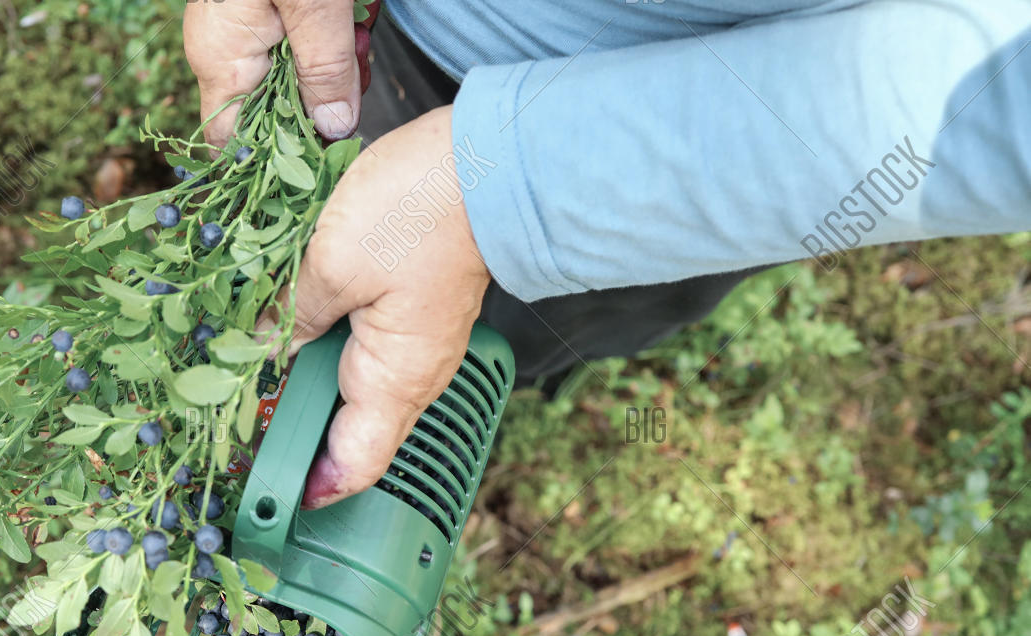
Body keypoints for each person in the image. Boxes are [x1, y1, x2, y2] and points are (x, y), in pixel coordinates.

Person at [183, 0, 1031, 509]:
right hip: (415, 40)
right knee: (338, 284)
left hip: (674, 137)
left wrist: (517, 190)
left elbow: (1003, 88)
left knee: (492, 339)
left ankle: (469, 402)